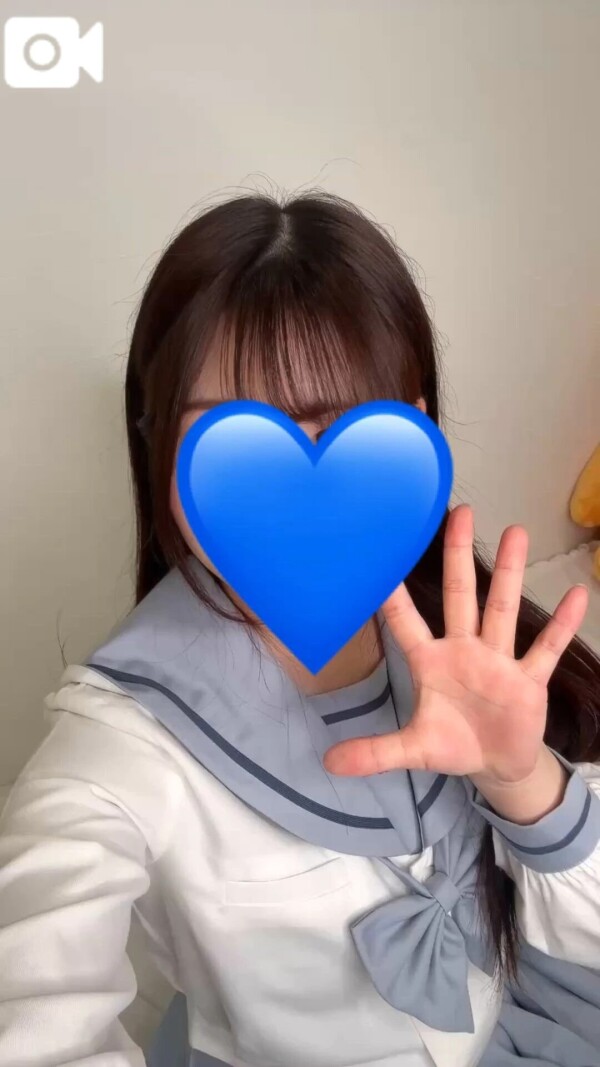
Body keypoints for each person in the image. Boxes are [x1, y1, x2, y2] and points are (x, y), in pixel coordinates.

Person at [0, 191, 599, 1067]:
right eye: (234, 437)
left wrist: (525, 783)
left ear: (415, 429)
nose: (296, 488)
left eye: (341, 425)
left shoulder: (463, 634)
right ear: (158, 440)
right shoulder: (123, 739)